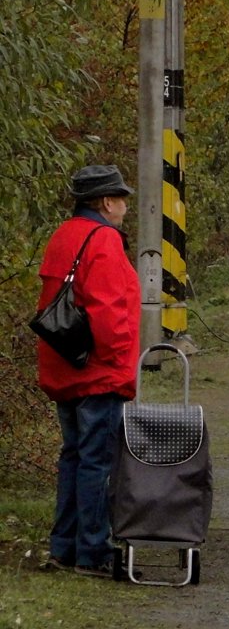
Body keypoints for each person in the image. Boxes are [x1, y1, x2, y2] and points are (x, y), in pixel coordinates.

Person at [36, 164, 141, 578]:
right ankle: (92, 551)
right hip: (98, 371)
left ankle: (62, 547)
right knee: (97, 460)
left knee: (73, 456)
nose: (125, 208)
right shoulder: (105, 240)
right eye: (122, 199)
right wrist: (119, 358)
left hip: (64, 364)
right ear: (107, 201)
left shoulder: (62, 236)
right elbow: (110, 310)